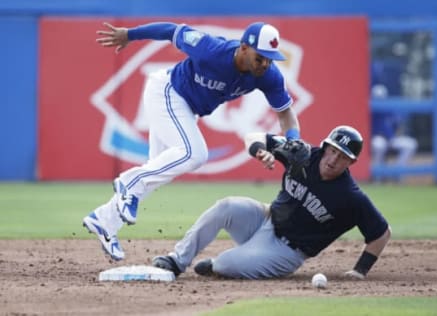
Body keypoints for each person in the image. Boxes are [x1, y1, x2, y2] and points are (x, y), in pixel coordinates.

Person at [82, 21, 301, 261]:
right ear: (244, 48)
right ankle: (128, 180)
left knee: (158, 168)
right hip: (167, 91)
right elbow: (171, 31)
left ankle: (105, 220)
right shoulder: (212, 49)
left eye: (271, 58)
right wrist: (129, 35)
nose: (266, 63)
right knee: (194, 154)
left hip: (187, 109)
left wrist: (293, 140)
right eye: (261, 57)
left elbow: (285, 114)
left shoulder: (267, 76)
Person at [152, 125, 391, 280]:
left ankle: (220, 264)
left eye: (343, 157)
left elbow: (381, 233)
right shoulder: (303, 154)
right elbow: (252, 136)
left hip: (287, 251)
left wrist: (360, 271)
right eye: (333, 151)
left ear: (352, 162)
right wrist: (259, 151)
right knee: (226, 206)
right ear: (326, 146)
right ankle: (177, 260)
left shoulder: (351, 197)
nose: (334, 159)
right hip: (264, 219)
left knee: (225, 264)